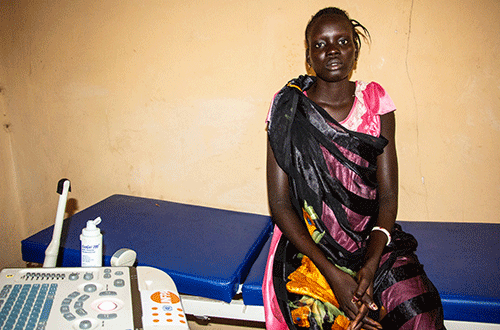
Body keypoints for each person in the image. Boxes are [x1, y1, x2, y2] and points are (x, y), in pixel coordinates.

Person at [263, 7, 445, 330]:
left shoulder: (375, 103)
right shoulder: (289, 109)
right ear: (308, 57)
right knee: (325, 321)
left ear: (355, 50)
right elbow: (279, 205)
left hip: (371, 244)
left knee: (416, 311)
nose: (332, 50)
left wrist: (371, 266)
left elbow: (388, 200)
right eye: (320, 44)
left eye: (342, 41)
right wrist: (333, 276)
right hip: (309, 250)